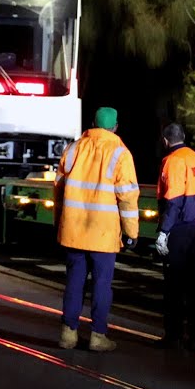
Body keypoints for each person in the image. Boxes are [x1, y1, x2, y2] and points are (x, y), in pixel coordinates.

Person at [54, 106, 141, 351]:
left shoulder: (73, 149)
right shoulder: (121, 154)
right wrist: (132, 232)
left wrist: (58, 222)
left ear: (92, 123)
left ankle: (68, 334)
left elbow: (59, 189)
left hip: (73, 231)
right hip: (103, 235)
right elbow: (127, 197)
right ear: (115, 127)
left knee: (74, 282)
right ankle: (97, 336)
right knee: (102, 285)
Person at [155, 122, 195, 352]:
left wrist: (163, 232)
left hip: (178, 229)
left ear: (165, 141)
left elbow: (174, 200)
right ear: (184, 137)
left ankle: (174, 335)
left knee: (174, 285)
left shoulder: (173, 161)